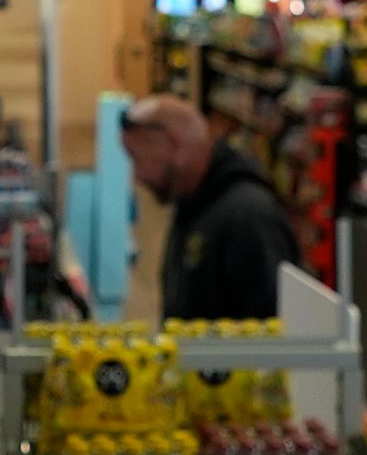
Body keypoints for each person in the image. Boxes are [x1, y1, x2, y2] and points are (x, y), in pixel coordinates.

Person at [118, 94, 296, 322]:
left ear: (174, 144)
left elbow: (273, 330)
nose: (137, 176)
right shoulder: (192, 201)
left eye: (137, 160)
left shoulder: (249, 217)